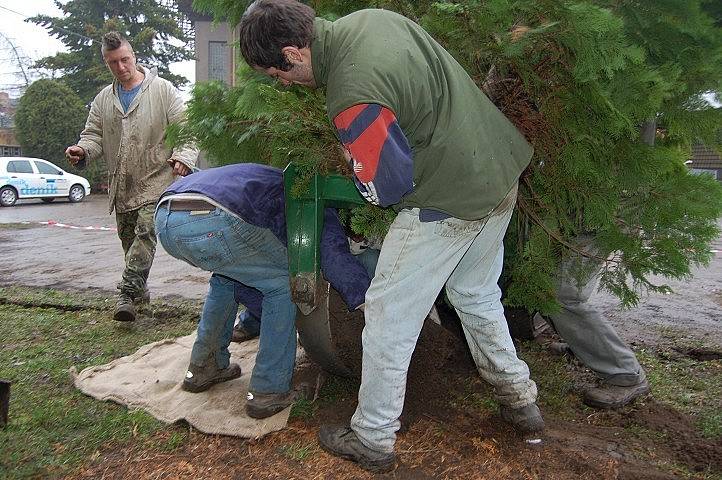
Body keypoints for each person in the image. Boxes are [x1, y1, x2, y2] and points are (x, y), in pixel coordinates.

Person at [239, 1, 543, 472]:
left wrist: (353, 162)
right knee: (475, 293)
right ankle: (520, 398)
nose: (280, 83)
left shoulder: (351, 93)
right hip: (499, 169)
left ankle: (373, 435)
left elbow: (387, 187)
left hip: (449, 198)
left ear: (293, 52)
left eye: (275, 74)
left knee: (386, 315)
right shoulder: (373, 18)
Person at [154, 162, 370, 419]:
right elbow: (335, 259)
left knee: (227, 277)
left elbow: (251, 283)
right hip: (216, 218)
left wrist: (250, 323)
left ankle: (204, 367)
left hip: (167, 216)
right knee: (281, 284)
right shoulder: (318, 196)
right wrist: (365, 301)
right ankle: (268, 391)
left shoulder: (269, 177)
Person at [65, 31, 198, 322]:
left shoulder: (163, 91)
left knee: (145, 235)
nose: (121, 67)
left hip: (156, 181)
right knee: (132, 249)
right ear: (106, 62)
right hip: (122, 188)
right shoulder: (103, 99)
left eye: (125, 59)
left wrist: (184, 158)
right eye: (113, 62)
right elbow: (93, 137)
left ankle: (125, 293)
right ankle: (140, 303)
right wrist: (82, 151)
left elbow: (187, 129)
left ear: (134, 56)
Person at [547, 237, 650, 409]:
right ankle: (583, 346)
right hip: (577, 222)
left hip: (595, 222)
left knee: (562, 295)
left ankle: (625, 374)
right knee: (548, 282)